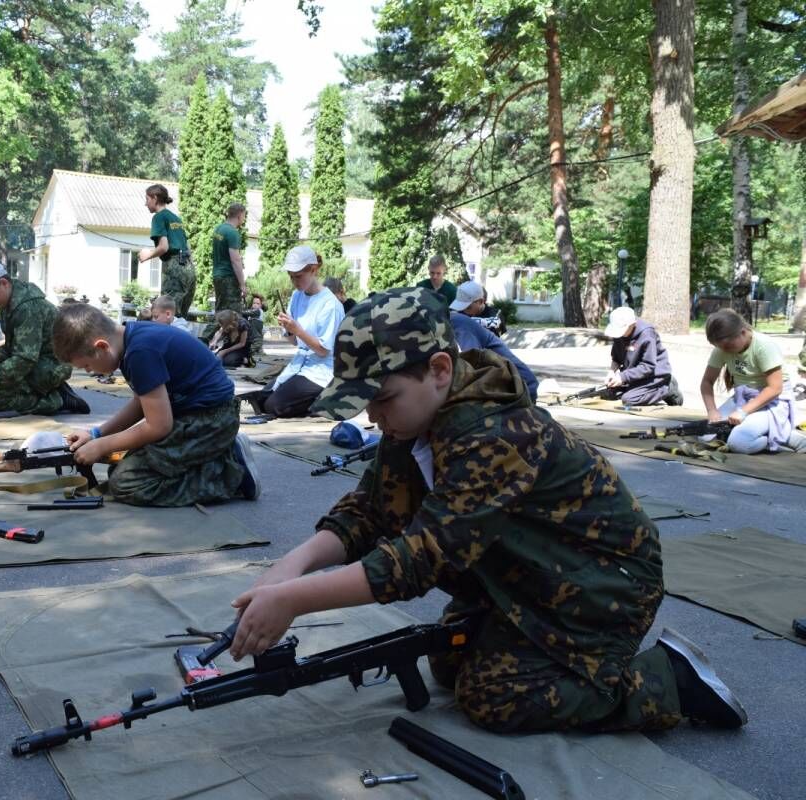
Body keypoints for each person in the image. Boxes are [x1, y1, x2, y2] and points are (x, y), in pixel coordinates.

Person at [226, 287, 748, 735]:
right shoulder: (415, 421)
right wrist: (289, 569)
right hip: (528, 572)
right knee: (449, 661)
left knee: (493, 697)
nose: (373, 416)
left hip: (602, 586)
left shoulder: (491, 434)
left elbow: (425, 556)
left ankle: (669, 680)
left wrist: (294, 599)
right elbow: (369, 510)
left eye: (382, 398)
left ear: (439, 369)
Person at [53, 304, 260, 507]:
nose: (89, 372)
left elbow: (158, 426)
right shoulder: (131, 339)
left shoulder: (140, 352)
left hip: (212, 420)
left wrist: (101, 446)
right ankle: (215, 452)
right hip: (197, 414)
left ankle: (231, 474)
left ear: (101, 347)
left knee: (126, 483)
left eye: (87, 366)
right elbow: (141, 402)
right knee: (121, 468)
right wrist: (96, 435)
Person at [0, 260, 89, 415]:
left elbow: (25, 358)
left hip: (50, 366)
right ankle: (45, 391)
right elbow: (15, 344)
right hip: (35, 362)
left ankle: (57, 399)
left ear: (4, 283)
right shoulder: (8, 302)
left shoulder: (27, 308)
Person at [247, 247, 345, 417]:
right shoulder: (297, 296)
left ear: (313, 270)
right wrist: (289, 330)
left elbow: (323, 350)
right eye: (291, 277)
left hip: (321, 371)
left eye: (298, 276)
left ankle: (326, 401)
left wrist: (298, 330)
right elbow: (294, 342)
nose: (294, 282)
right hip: (300, 364)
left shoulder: (330, 305)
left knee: (274, 406)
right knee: (261, 399)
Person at [699, 309, 804, 454]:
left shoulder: (763, 346)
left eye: (728, 347)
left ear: (742, 332)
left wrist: (743, 412)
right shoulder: (722, 349)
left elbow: (775, 389)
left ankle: (784, 436)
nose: (725, 351)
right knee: (707, 436)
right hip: (743, 397)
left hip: (771, 401)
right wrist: (712, 411)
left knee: (739, 444)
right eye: (720, 347)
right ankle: (761, 431)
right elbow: (707, 382)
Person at [449, 311, 539, 401]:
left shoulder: (457, 323)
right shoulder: (452, 322)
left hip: (522, 387)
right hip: (508, 386)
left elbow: (471, 365)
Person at [602, 306, 682, 406]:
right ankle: (637, 389)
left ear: (632, 324)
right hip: (635, 374)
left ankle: (666, 388)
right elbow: (616, 358)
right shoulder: (619, 335)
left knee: (628, 400)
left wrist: (622, 377)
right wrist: (611, 372)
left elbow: (648, 366)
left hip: (654, 374)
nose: (619, 334)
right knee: (609, 393)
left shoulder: (646, 334)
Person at [138, 184, 195, 319]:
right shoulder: (176, 218)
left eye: (147, 199)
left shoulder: (159, 217)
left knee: (167, 314)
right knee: (180, 316)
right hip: (188, 268)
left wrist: (147, 255)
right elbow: (187, 246)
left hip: (174, 267)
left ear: (155, 198)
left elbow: (164, 247)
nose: (145, 204)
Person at [212, 204, 247, 315]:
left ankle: (214, 333)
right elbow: (235, 260)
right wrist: (242, 284)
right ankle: (208, 333)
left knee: (221, 312)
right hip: (228, 279)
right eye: (244, 215)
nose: (244, 218)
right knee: (233, 316)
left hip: (218, 276)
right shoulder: (232, 233)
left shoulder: (219, 229)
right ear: (239, 215)